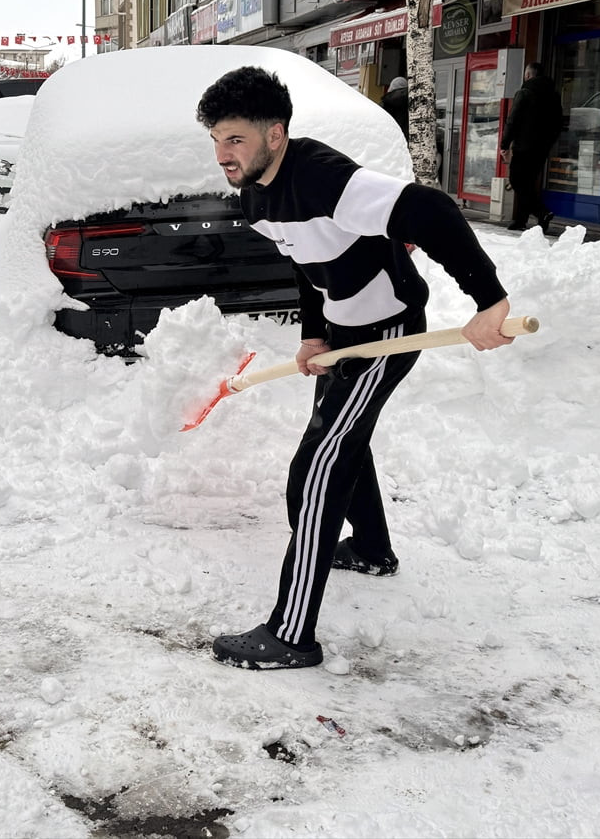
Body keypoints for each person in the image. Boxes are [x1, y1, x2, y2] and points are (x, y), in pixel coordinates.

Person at [195, 66, 515, 670]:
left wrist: (489, 302)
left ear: (276, 133)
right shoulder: (257, 193)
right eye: (215, 139)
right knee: (345, 436)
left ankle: (292, 635)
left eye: (234, 138)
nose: (222, 154)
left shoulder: (321, 176)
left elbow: (430, 210)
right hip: (345, 331)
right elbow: (304, 255)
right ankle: (370, 548)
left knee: (317, 468)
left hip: (388, 329)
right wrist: (314, 333)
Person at [500, 62, 564, 234]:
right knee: (527, 184)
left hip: (523, 147)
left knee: (517, 181)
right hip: (542, 149)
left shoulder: (525, 92)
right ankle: (521, 220)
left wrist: (505, 144)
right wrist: (548, 143)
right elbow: (559, 123)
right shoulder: (554, 95)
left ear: (528, 75)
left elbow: (513, 120)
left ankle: (542, 212)